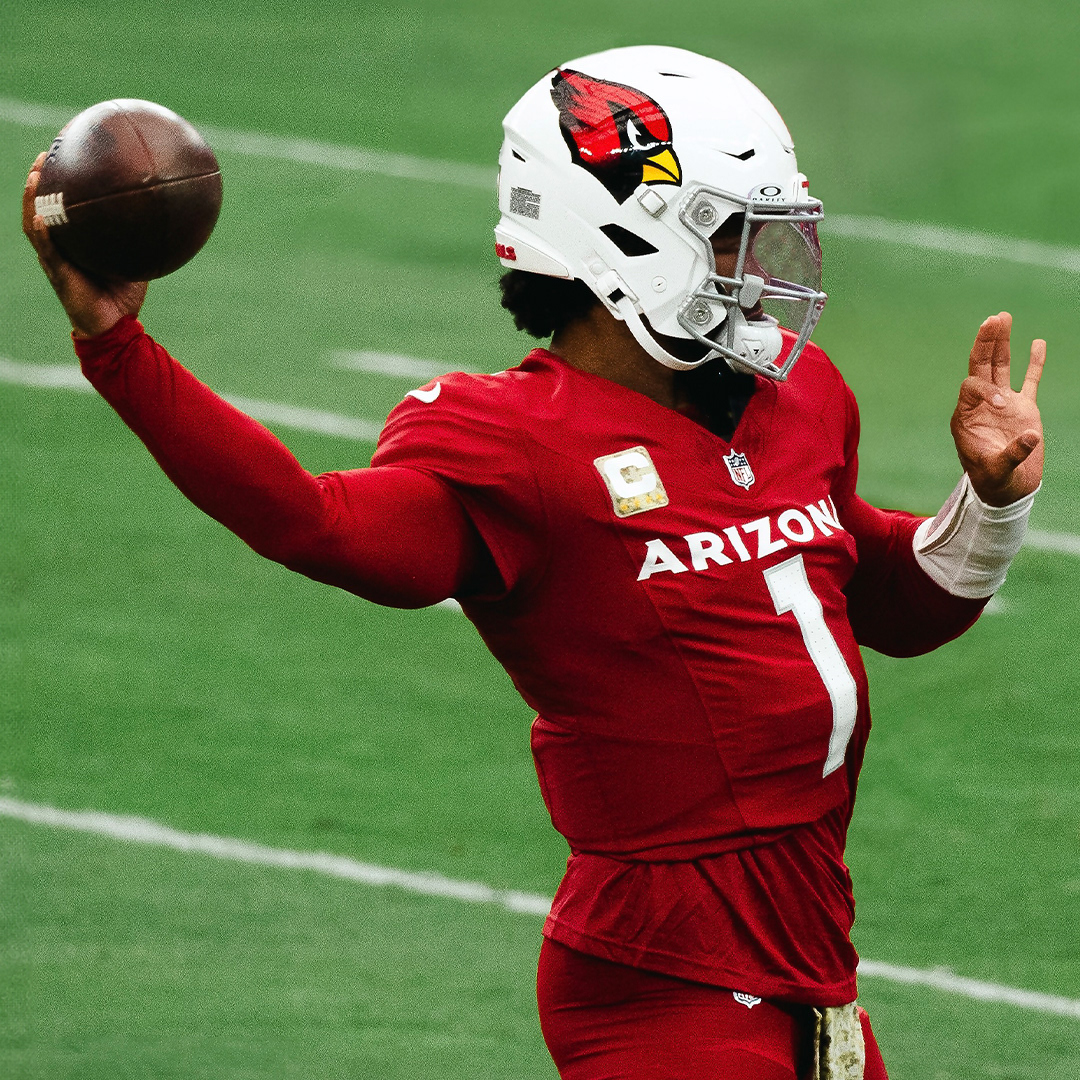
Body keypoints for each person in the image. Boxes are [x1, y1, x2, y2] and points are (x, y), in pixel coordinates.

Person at [24, 45, 1045, 1080]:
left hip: (811, 964)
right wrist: (120, 351)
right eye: (731, 234)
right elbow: (316, 523)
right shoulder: (513, 442)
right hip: (664, 979)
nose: (760, 269)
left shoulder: (797, 399)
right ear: (624, 241)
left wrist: (993, 502)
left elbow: (892, 600)